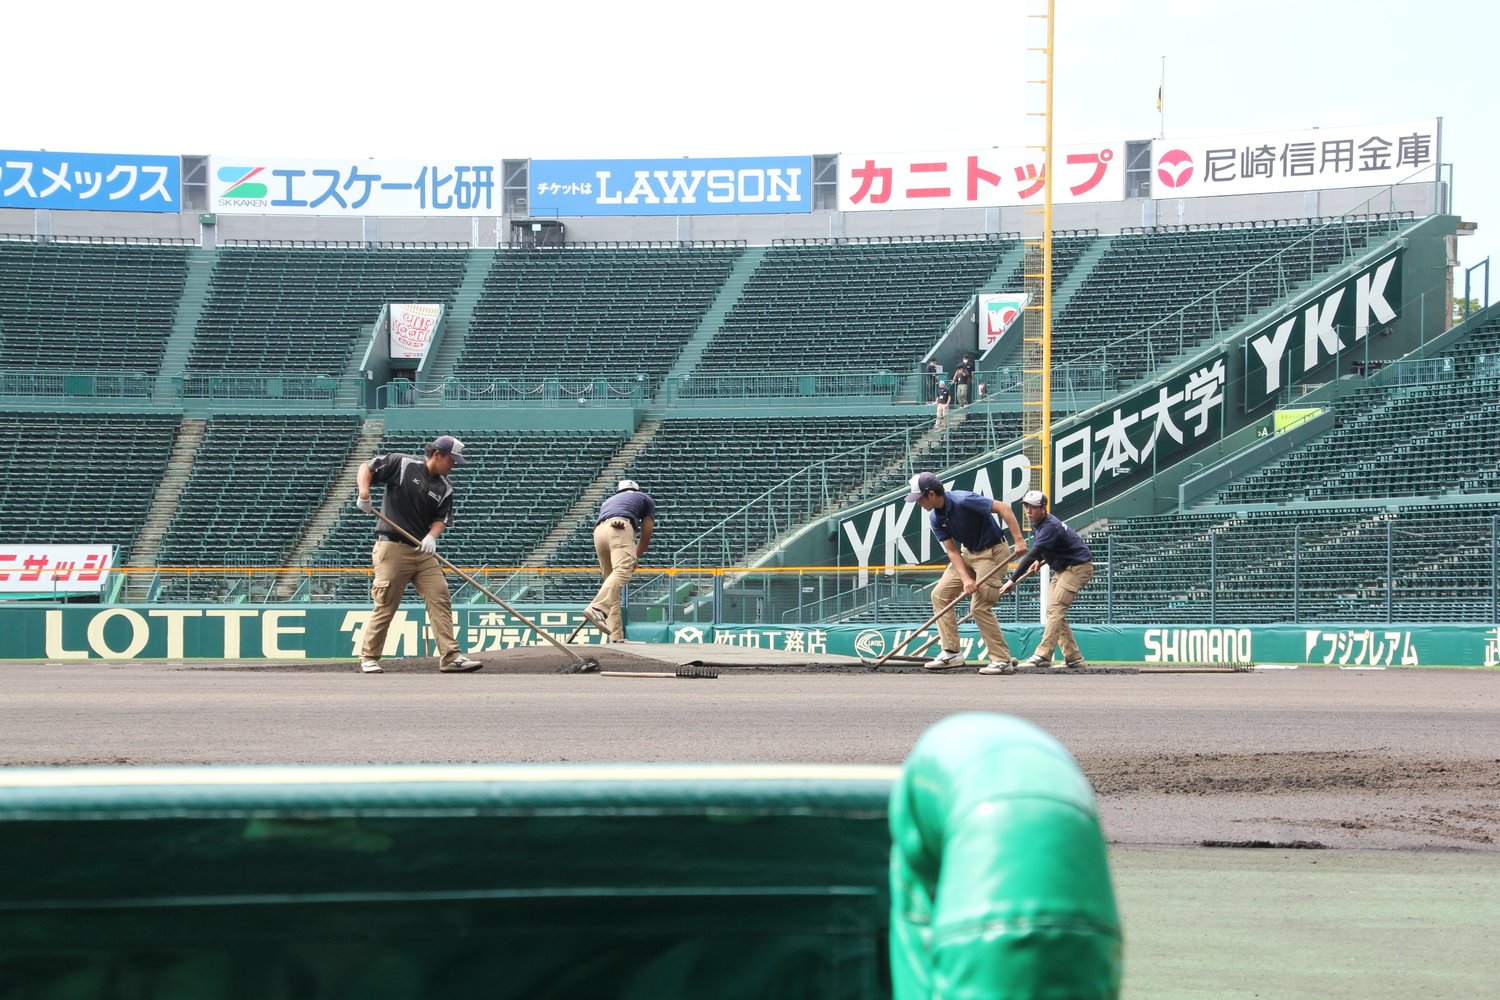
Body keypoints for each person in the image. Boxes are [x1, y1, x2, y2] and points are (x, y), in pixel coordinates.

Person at [353, 435, 482, 674]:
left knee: (439, 596)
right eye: (451, 461)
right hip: (392, 547)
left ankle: (450, 656)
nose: (453, 466)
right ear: (437, 455)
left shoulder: (444, 487)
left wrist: (432, 537)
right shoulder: (402, 464)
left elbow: (440, 520)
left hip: (422, 551)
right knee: (386, 603)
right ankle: (369, 657)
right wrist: (364, 494)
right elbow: (366, 468)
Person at [905, 471, 1027, 674]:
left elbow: (1003, 508)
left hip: (992, 552)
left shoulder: (963, 500)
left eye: (919, 498)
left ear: (932, 494)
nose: (918, 503)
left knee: (979, 607)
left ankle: (1001, 659)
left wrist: (1019, 539)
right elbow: (952, 551)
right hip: (967, 553)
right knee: (939, 595)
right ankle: (951, 652)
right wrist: (965, 578)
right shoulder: (935, 517)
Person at [996, 490, 1095, 669]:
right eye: (1026, 506)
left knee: (1056, 609)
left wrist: (1012, 579)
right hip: (1064, 568)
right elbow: (1045, 548)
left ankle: (1043, 655)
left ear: (1043, 509)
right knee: (1054, 611)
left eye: (1033, 507)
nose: (1028, 511)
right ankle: (1073, 657)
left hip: (1077, 567)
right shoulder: (1038, 523)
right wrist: (1040, 560)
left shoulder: (1050, 525)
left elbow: (1031, 552)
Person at [582, 479, 657, 642]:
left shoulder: (608, 501)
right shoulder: (644, 498)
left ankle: (615, 636)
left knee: (611, 584)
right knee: (623, 571)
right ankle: (597, 607)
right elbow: (647, 535)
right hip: (619, 527)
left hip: (598, 533)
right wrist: (634, 557)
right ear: (636, 489)